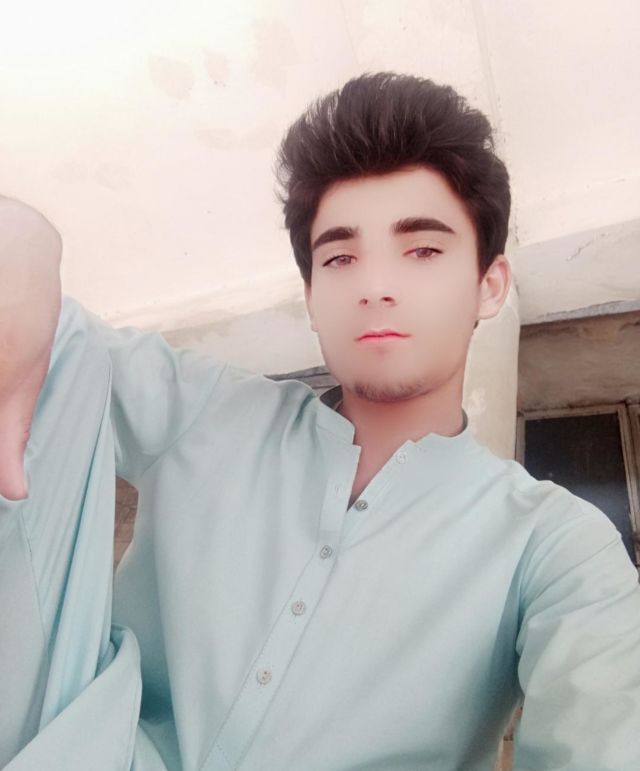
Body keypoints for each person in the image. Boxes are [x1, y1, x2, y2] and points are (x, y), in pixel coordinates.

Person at [2, 72, 639, 770]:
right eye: (340, 257)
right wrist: (26, 240)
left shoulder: (550, 545)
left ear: (490, 285)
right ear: (310, 297)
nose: (375, 286)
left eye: (423, 249)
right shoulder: (211, 412)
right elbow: (59, 343)